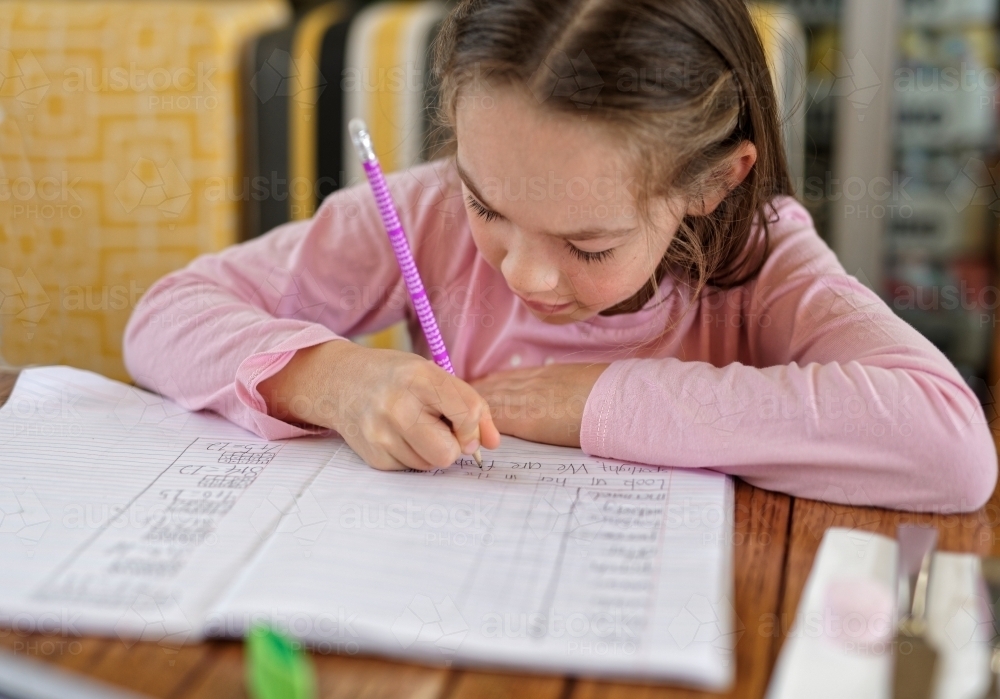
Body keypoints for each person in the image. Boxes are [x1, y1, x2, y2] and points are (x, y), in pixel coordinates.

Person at [123, 0, 997, 512]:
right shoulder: (424, 210)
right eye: (488, 206)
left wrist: (594, 400)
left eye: (589, 244)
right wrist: (337, 381)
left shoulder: (761, 262)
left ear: (715, 183)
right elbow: (165, 316)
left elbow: (950, 447)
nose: (524, 276)